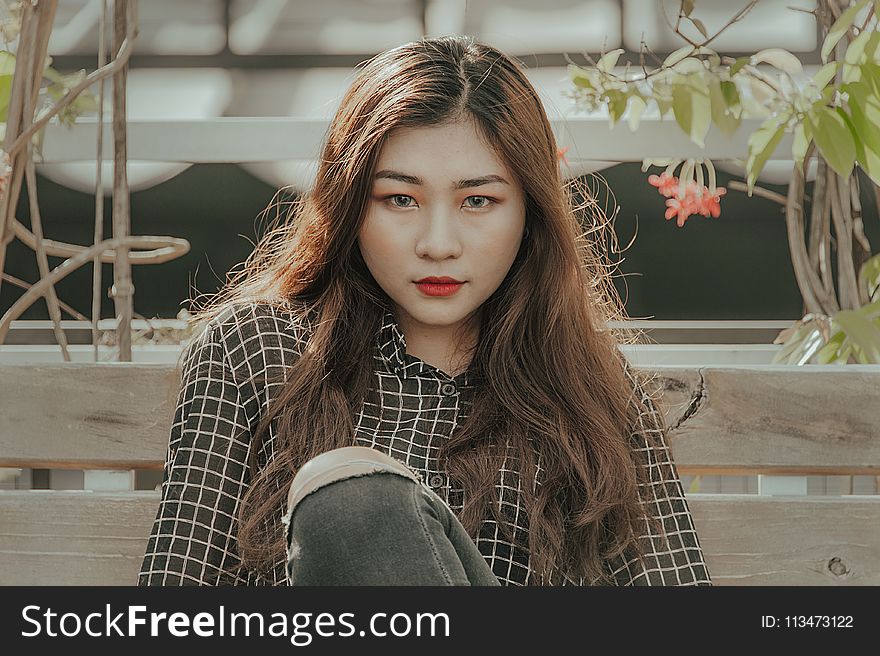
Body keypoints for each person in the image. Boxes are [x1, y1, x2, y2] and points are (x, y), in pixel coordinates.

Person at [138, 35, 711, 587]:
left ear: (529, 212)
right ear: (350, 205)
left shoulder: (589, 385)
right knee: (353, 504)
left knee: (353, 499)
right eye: (401, 199)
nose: (438, 244)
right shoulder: (254, 352)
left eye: (478, 200)